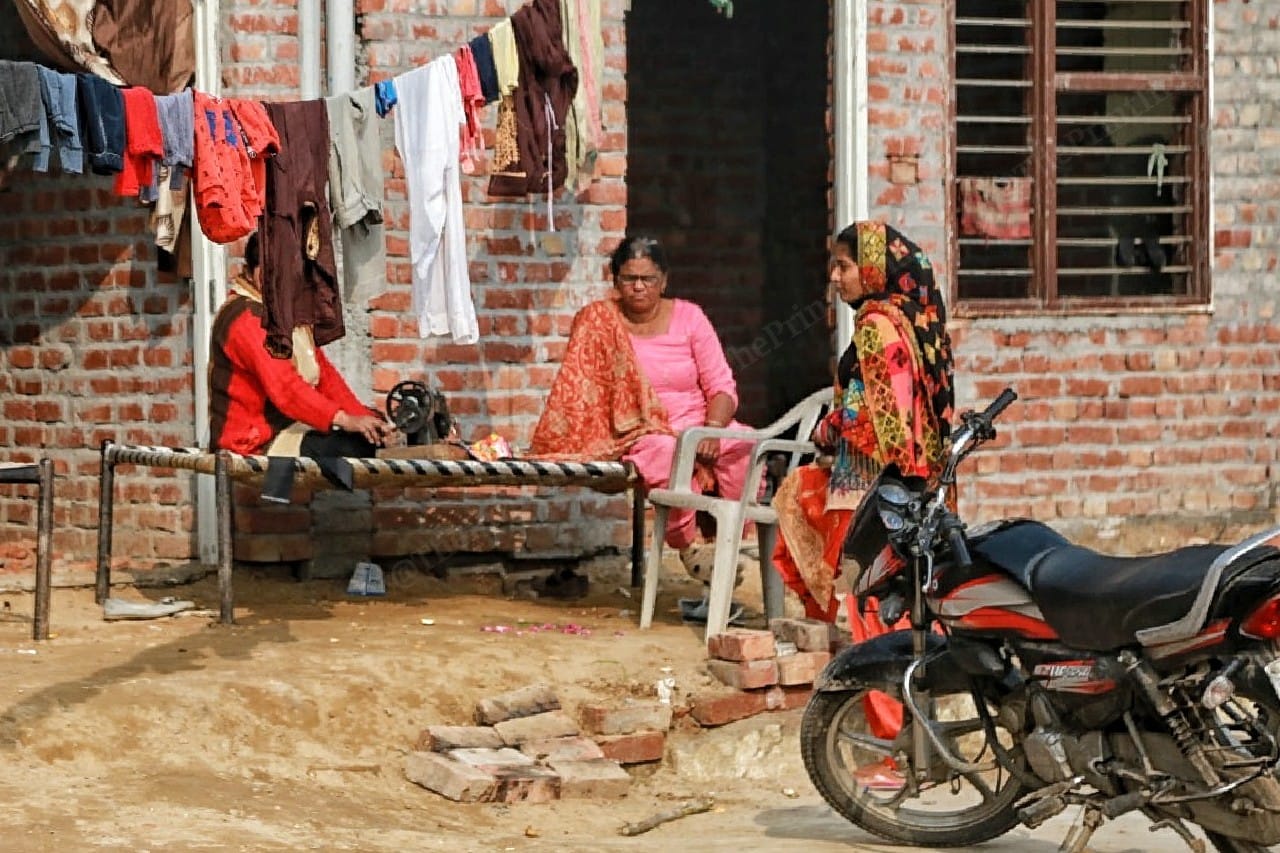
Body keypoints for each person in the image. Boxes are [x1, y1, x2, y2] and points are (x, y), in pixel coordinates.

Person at [772, 221, 954, 787]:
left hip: (873, 492)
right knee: (903, 610)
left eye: (844, 266)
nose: (835, 277)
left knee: (872, 613)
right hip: (913, 489)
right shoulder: (915, 318)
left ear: (872, 269)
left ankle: (899, 750)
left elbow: (883, 421)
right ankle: (917, 737)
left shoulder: (878, 327)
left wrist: (833, 427)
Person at [530, 235, 760, 604]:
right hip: (636, 429)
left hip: (699, 424)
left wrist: (712, 430)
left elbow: (722, 386)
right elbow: (584, 390)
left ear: (664, 281)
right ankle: (691, 548)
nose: (638, 287)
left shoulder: (690, 317)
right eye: (629, 279)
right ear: (615, 281)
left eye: (648, 279)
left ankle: (736, 541)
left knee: (746, 443)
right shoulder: (600, 322)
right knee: (665, 451)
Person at [209, 232, 391, 498]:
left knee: (369, 437)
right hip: (251, 441)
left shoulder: (288, 315)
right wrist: (343, 419)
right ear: (252, 271)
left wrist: (366, 420)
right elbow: (286, 389)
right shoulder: (246, 318)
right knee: (352, 449)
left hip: (288, 429)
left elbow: (325, 376)